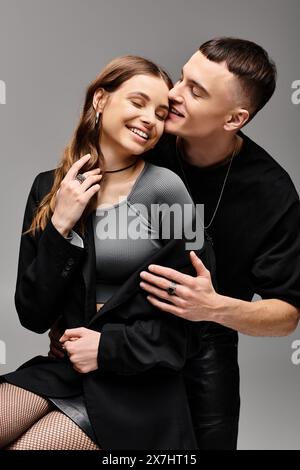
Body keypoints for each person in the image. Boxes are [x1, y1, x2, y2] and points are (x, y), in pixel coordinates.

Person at [50, 38, 300, 450]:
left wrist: (215, 306)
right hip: (117, 338)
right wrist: (68, 316)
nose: (173, 94)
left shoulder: (272, 193)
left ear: (235, 118)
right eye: (182, 77)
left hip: (205, 348)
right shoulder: (148, 141)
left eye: (196, 91)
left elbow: (287, 313)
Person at [0, 55, 215, 450]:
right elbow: (32, 314)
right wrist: (60, 226)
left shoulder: (166, 191)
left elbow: (194, 326)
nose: (150, 118)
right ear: (100, 99)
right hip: (62, 372)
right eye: (138, 102)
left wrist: (108, 348)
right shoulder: (49, 187)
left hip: (136, 386)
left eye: (161, 111)